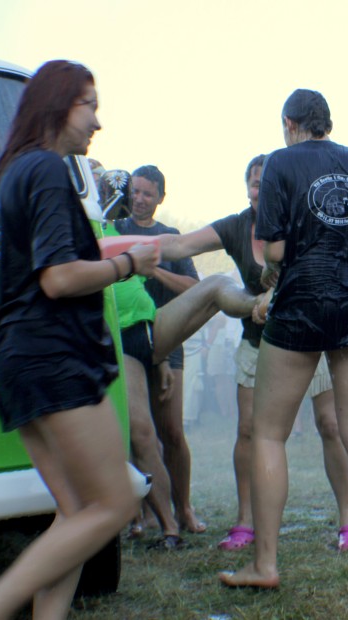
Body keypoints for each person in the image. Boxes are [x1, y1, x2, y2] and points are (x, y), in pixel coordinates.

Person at [0, 60, 160, 619]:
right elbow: (59, 279)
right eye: (90, 106)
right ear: (57, 105)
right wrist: (129, 264)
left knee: (75, 511)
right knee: (114, 502)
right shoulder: (45, 170)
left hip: (12, 358)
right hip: (53, 356)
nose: (97, 122)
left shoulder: (5, 177)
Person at [218, 88, 348, 588]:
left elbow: (275, 250)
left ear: (290, 123)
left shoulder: (281, 163)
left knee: (268, 434)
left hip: (302, 304)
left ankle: (265, 566)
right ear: (326, 121)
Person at [158, 155, 348, 553]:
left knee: (330, 425)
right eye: (256, 183)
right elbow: (181, 244)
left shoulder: (305, 218)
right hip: (258, 343)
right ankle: (245, 521)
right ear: (248, 188)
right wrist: (130, 251)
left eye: (269, 183)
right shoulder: (236, 226)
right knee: (248, 431)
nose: (262, 190)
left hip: (311, 339)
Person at [115, 165, 206, 534]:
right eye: (135, 191)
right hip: (127, 340)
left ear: (160, 198)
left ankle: (184, 509)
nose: (139, 199)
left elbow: (194, 288)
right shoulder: (115, 230)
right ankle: (143, 514)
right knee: (137, 432)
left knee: (171, 431)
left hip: (166, 339)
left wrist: (154, 271)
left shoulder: (170, 238)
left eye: (147, 194)